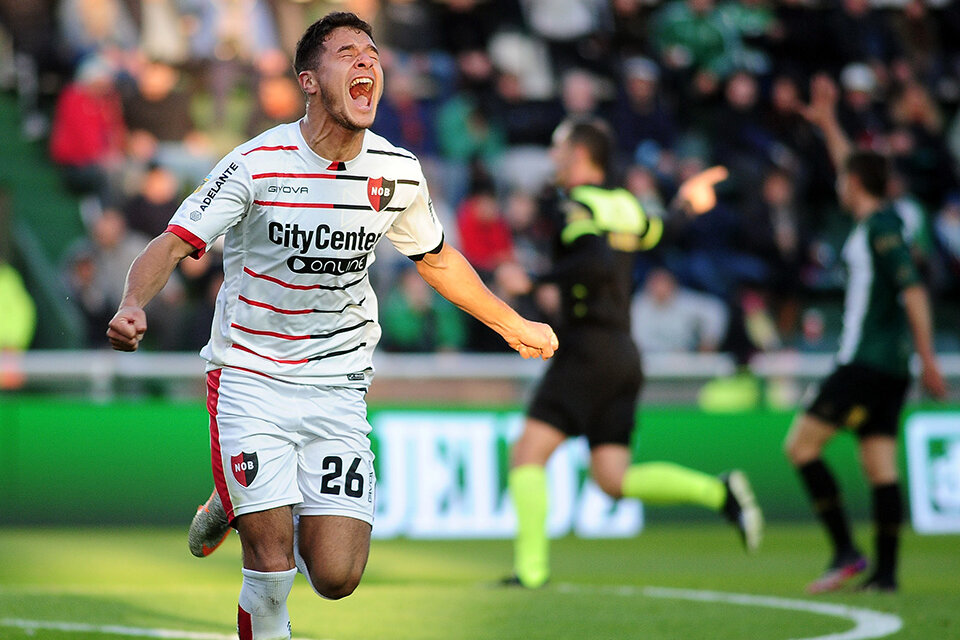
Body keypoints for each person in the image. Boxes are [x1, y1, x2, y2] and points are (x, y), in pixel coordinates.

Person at [106, 13, 558, 639]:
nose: (367, 62)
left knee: (337, 576)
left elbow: (437, 258)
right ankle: (245, 506)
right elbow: (172, 243)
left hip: (339, 386)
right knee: (271, 568)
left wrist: (511, 323)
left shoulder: (397, 172)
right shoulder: (255, 164)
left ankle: (230, 502)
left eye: (372, 53)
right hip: (250, 377)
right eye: (347, 53)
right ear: (310, 81)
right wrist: (134, 303)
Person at [504, 118, 763, 589]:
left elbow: (591, 259)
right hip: (624, 352)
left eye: (559, 149)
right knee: (613, 479)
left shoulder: (578, 206)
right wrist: (687, 202)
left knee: (527, 455)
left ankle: (531, 572)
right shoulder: (624, 205)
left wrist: (536, 280)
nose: (553, 158)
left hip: (586, 351)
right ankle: (719, 492)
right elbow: (661, 230)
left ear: (580, 155)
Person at [785, 73, 947, 594]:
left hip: (865, 362)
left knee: (801, 448)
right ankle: (888, 575)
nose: (838, 181)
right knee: (880, 464)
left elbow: (915, 291)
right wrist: (830, 123)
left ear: (855, 184)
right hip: (889, 367)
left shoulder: (881, 229)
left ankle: (846, 552)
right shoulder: (877, 218)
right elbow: (848, 164)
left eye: (844, 177)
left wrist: (930, 358)